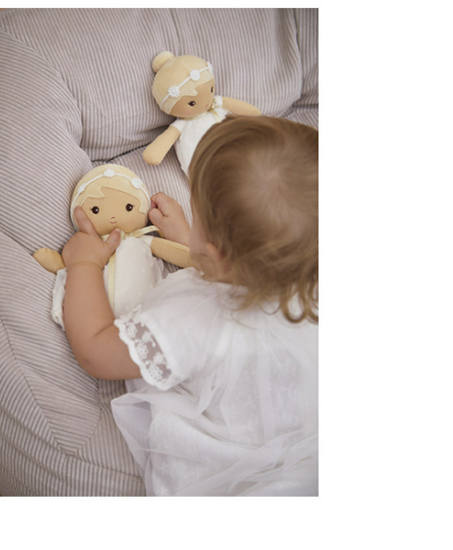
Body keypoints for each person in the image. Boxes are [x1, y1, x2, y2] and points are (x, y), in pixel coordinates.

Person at [60, 115, 319, 496]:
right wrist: (189, 240)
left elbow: (96, 351)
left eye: (198, 217)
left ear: (215, 253)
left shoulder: (196, 319)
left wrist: (83, 264)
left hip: (243, 474)